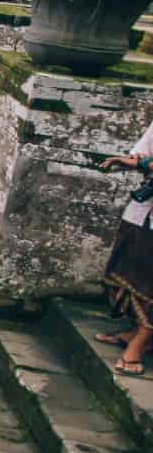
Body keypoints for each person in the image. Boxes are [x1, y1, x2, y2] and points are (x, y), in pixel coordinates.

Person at [97, 120, 153, 375]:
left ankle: (141, 342)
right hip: (144, 210)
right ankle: (137, 330)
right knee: (127, 269)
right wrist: (136, 161)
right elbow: (142, 153)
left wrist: (139, 163)